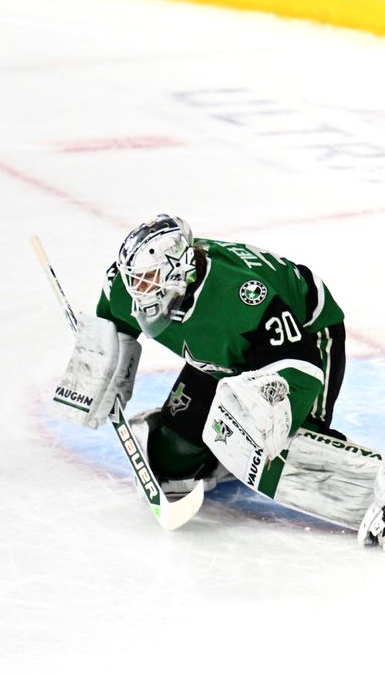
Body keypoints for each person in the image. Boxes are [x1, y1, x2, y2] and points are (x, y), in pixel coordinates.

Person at [52, 214, 385, 544]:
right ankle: (224, 456)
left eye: (148, 279)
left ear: (178, 270)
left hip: (307, 333)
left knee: (284, 442)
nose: (138, 291)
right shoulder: (125, 290)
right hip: (225, 356)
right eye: (134, 280)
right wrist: (99, 371)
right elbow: (114, 328)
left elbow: (301, 365)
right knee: (170, 458)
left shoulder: (243, 294)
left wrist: (267, 413)